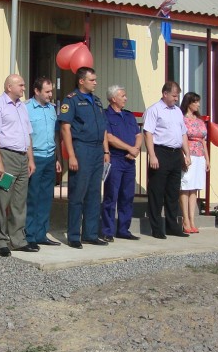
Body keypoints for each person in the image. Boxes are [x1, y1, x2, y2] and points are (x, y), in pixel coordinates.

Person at [58, 66, 109, 249]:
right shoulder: (71, 100)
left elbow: (102, 127)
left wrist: (106, 151)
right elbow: (65, 128)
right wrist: (71, 155)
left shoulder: (96, 101)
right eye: (92, 80)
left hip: (96, 150)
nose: (95, 82)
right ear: (81, 81)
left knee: (94, 194)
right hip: (82, 148)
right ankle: (73, 235)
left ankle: (90, 233)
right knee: (78, 193)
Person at [0, 74, 36, 256]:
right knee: (2, 199)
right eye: (20, 85)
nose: (23, 88)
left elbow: (27, 134)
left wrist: (30, 159)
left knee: (19, 202)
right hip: (5, 156)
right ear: (9, 87)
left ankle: (18, 239)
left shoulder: (22, 106)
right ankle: (0, 241)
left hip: (22, 157)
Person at [142, 81, 191, 239]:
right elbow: (148, 133)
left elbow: (183, 134)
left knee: (172, 192)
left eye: (178, 96)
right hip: (160, 152)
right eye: (174, 95)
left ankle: (172, 226)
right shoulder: (154, 110)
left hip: (175, 154)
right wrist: (152, 155)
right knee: (157, 192)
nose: (177, 99)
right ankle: (156, 228)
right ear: (165, 94)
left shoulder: (177, 111)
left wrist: (186, 154)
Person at [101, 85, 142, 241]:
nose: (126, 98)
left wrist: (136, 149)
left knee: (127, 196)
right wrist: (129, 148)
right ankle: (107, 231)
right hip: (116, 158)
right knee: (111, 195)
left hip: (130, 161)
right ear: (113, 99)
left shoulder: (129, 115)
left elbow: (139, 134)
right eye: (122, 96)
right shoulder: (106, 116)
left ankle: (124, 229)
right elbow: (109, 138)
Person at [25, 77, 62, 248]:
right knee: (33, 197)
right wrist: (30, 159)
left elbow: (56, 135)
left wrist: (57, 159)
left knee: (47, 197)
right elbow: (26, 137)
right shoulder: (26, 109)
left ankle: (41, 234)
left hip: (49, 158)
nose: (50, 95)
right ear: (37, 91)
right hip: (35, 158)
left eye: (51, 91)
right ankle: (29, 235)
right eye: (47, 92)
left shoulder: (52, 109)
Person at [179, 92, 210, 234]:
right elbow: (180, 138)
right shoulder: (182, 119)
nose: (198, 104)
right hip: (188, 154)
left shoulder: (200, 120)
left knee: (194, 188)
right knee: (185, 186)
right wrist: (184, 155)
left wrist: (207, 159)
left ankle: (192, 219)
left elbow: (203, 140)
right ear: (189, 103)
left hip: (199, 156)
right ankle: (185, 219)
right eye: (195, 102)